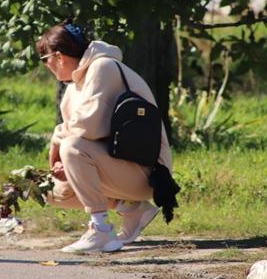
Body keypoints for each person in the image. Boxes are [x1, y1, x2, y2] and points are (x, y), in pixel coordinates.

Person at [36, 20, 173, 253]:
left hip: (149, 174)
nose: (46, 66)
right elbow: (84, 132)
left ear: (59, 56)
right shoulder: (73, 88)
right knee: (49, 190)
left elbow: (88, 127)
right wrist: (64, 165)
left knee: (72, 147)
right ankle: (132, 208)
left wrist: (58, 139)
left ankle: (100, 230)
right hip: (118, 167)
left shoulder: (103, 67)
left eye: (44, 59)